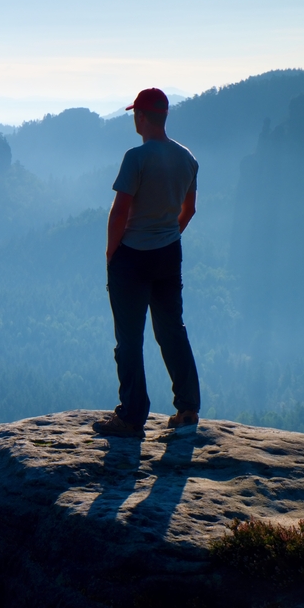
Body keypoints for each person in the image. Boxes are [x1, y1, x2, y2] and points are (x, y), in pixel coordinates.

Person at [93, 88, 201, 438]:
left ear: (141, 117)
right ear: (164, 116)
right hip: (169, 254)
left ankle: (131, 416)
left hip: (132, 258)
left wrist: (112, 253)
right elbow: (190, 210)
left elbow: (120, 211)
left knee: (129, 339)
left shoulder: (136, 158)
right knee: (172, 330)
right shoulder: (187, 158)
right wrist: (170, 233)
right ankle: (187, 408)